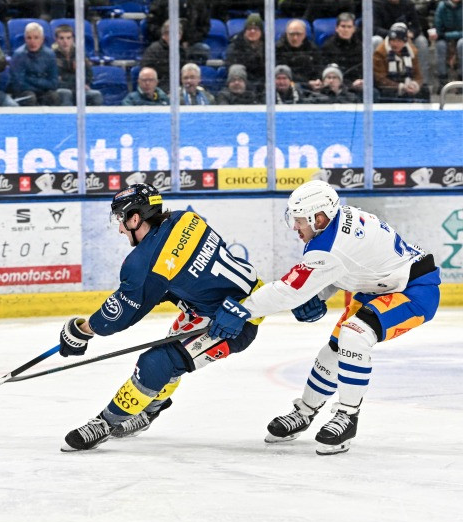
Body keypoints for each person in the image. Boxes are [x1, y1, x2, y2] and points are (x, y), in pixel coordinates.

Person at [209, 181, 441, 455]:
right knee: (333, 351)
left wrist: (244, 309)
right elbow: (349, 268)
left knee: (354, 335)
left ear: (318, 218)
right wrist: (321, 296)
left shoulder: (329, 246)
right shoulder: (338, 222)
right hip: (379, 288)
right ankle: (304, 412)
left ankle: (347, 416)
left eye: (299, 221)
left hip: (415, 292)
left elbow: (288, 291)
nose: (295, 227)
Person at [57, 183, 262, 451]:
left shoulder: (144, 263)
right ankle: (150, 411)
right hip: (234, 301)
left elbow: (119, 315)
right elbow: (187, 274)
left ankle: (105, 423)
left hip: (230, 325)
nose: (119, 228)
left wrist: (82, 330)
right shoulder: (185, 218)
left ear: (135, 218)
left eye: (121, 219)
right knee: (171, 352)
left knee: (156, 363)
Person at [147, 0, 211, 65]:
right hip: (166, 44)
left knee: (203, 49)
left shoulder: (198, 1)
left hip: (190, 45)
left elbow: (204, 26)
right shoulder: (161, 0)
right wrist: (166, 38)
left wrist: (189, 41)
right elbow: (151, 24)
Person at [372, 0, 430, 89]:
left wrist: (411, 33)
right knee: (375, 40)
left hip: (404, 40)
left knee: (422, 41)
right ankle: (375, 81)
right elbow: (374, 28)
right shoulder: (377, 4)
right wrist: (395, 36)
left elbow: (417, 26)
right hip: (385, 38)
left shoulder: (408, 4)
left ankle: (422, 83)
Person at [7, 22, 63, 106]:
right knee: (30, 97)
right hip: (24, 92)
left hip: (43, 92)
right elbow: (18, 84)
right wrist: (42, 84)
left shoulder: (50, 54)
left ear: (42, 39)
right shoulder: (18, 55)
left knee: (54, 96)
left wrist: (30, 79)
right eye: (29, 38)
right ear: (25, 39)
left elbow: (54, 83)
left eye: (36, 37)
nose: (32, 41)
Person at [373, 22, 429, 103]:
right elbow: (380, 79)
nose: (395, 44)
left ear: (405, 41)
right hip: (389, 87)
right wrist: (400, 87)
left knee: (424, 91)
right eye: (392, 40)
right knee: (389, 93)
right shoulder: (380, 53)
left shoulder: (412, 52)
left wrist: (415, 85)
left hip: (407, 84)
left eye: (399, 41)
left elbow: (417, 75)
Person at [53, 24, 103, 106]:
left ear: (73, 39)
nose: (65, 41)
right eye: (61, 38)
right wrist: (77, 81)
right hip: (63, 90)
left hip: (79, 89)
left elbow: (89, 75)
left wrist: (67, 78)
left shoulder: (80, 53)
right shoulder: (52, 55)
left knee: (96, 95)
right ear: (56, 40)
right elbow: (56, 81)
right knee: (65, 93)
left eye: (68, 38)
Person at [320, 12, 364, 91]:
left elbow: (361, 69)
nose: (346, 30)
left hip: (357, 85)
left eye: (349, 27)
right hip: (335, 85)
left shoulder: (360, 47)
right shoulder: (328, 46)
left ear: (354, 29)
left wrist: (360, 81)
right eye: (343, 26)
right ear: (337, 28)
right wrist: (349, 85)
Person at [275, 19, 323, 90]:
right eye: (292, 34)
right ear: (286, 33)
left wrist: (318, 80)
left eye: (299, 34)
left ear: (304, 34)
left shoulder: (312, 48)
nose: (295, 38)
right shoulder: (278, 49)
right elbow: (282, 73)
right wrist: (306, 84)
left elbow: (319, 67)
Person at [225, 13, 265, 93]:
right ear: (244, 31)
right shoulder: (235, 47)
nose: (252, 31)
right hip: (242, 86)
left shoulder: (268, 47)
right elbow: (233, 70)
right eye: (249, 29)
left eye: (256, 29)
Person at [434, 0, 463, 88]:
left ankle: (461, 77)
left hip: (459, 38)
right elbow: (438, 28)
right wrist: (442, 35)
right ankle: (442, 78)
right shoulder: (441, 6)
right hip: (445, 38)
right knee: (440, 45)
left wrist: (445, 35)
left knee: (462, 44)